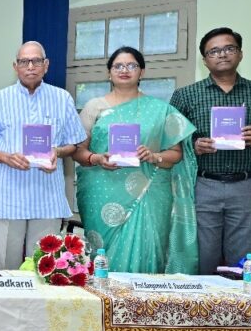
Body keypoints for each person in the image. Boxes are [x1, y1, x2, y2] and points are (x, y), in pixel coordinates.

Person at [170, 27, 251, 274]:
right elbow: (170, 140)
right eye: (214, 51)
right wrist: (193, 146)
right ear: (205, 60)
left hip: (247, 185)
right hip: (203, 185)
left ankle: (240, 311)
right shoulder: (185, 95)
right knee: (204, 258)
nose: (222, 54)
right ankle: (203, 311)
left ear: (240, 54)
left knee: (243, 262)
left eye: (229, 48)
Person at [73, 47, 198, 274]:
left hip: (148, 194)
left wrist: (154, 156)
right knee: (102, 257)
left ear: (142, 72)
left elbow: (176, 154)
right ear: (109, 73)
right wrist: (97, 158)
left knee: (148, 251)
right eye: (118, 66)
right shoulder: (94, 107)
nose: (124, 70)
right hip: (101, 193)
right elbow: (78, 151)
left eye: (131, 65)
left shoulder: (161, 110)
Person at [0, 41, 86, 271]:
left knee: (44, 269)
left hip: (47, 198)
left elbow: (75, 143)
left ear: (46, 65)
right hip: (9, 198)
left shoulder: (62, 98)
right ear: (15, 66)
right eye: (24, 61)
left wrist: (58, 151)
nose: (30, 66)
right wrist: (7, 157)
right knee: (3, 272)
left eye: (36, 61)